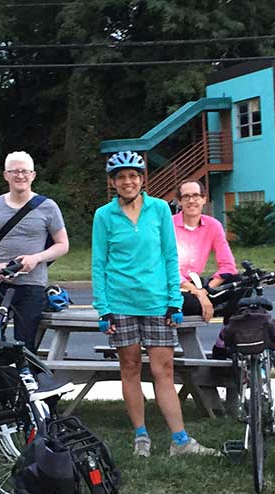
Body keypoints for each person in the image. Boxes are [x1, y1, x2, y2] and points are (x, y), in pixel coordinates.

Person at [92, 151, 219, 458]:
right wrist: (103, 308)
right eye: (121, 177)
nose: (128, 182)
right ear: (113, 182)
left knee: (164, 370)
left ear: (142, 179)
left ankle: (180, 440)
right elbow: (99, 263)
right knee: (130, 368)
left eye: (133, 176)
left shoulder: (160, 209)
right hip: (121, 303)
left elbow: (169, 256)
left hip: (157, 303)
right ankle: (141, 436)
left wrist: (175, 302)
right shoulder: (104, 216)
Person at [0, 151, 70, 351]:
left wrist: (36, 258)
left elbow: (62, 244)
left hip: (32, 285)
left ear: (33, 175)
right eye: (15, 171)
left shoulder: (48, 207)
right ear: (6, 175)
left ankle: (26, 379)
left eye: (25, 171)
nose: (20, 176)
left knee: (25, 345)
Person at [172, 179, 237, 322]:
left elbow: (228, 266)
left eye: (196, 196)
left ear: (204, 199)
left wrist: (205, 291)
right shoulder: (168, 226)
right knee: (193, 304)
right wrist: (197, 293)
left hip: (198, 286)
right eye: (186, 197)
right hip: (172, 287)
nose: (191, 200)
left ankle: (226, 340)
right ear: (179, 201)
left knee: (243, 286)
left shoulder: (213, 226)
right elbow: (166, 269)